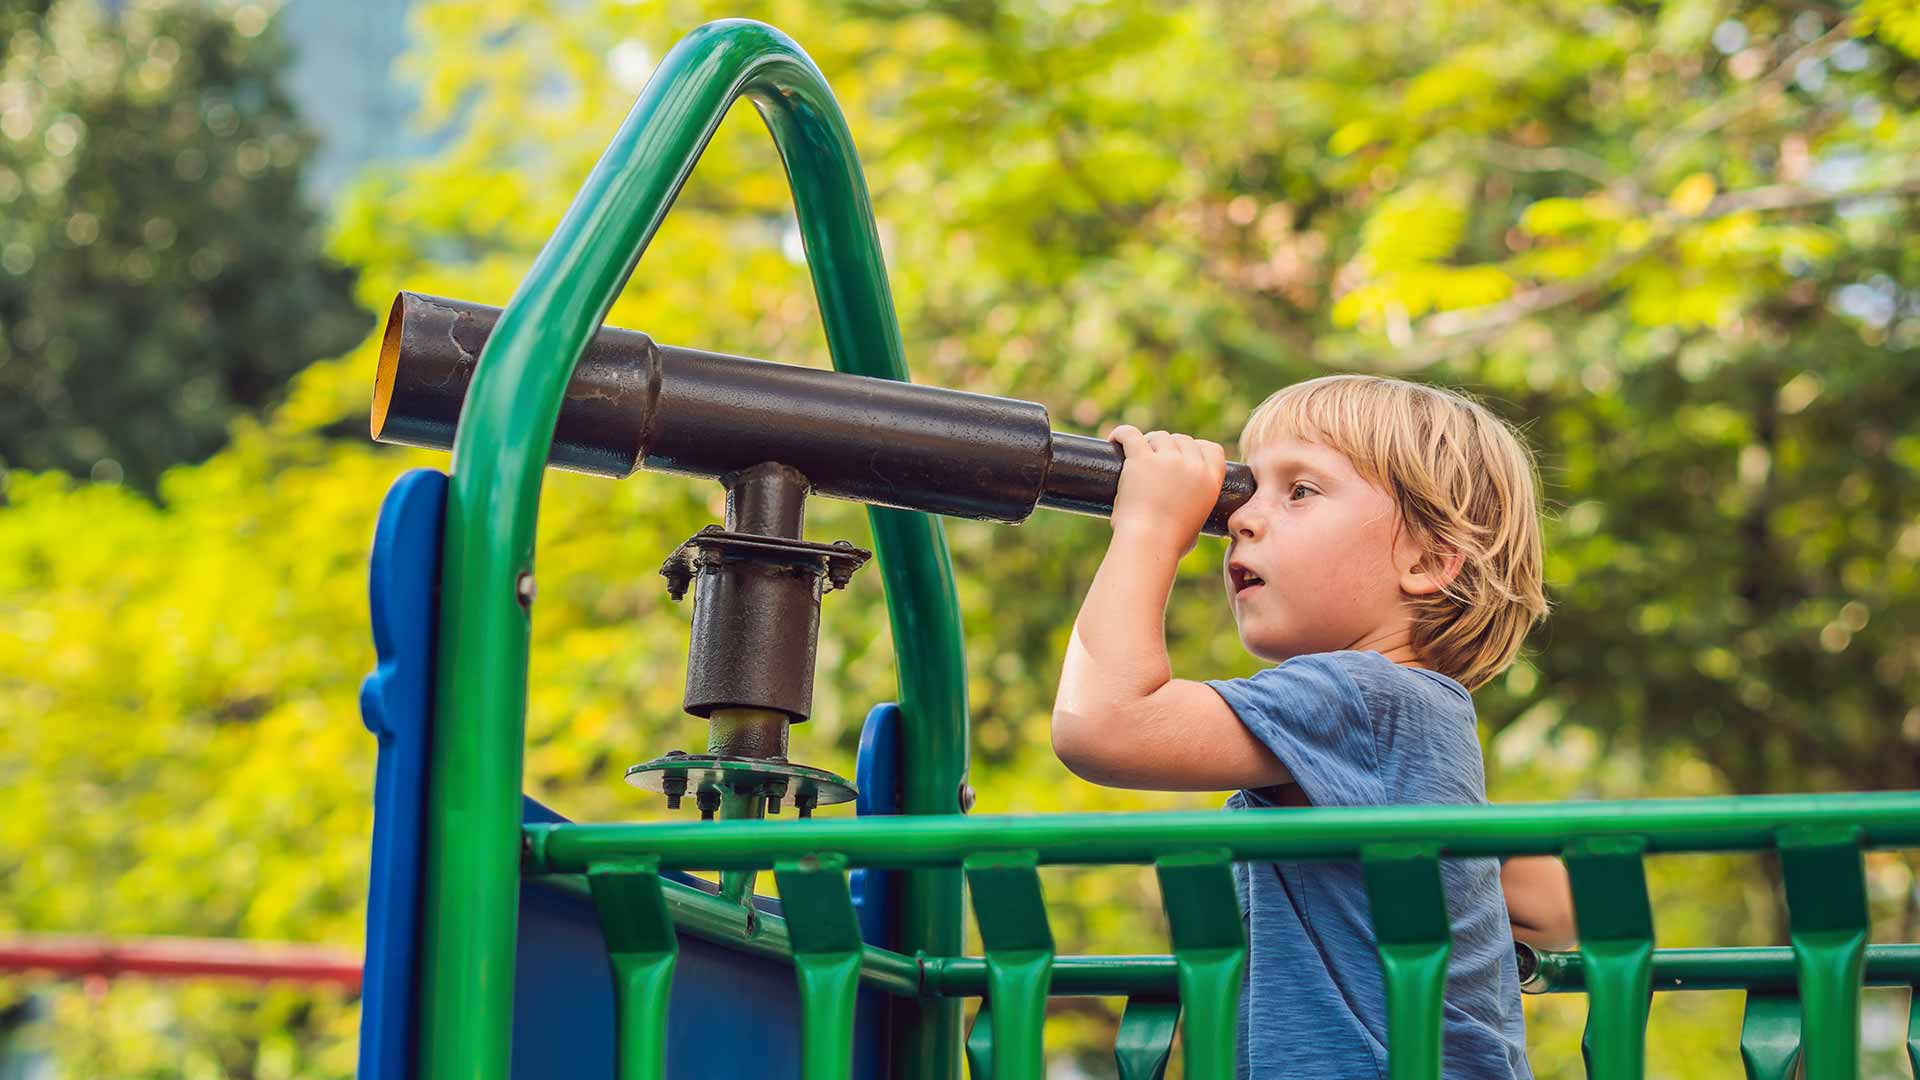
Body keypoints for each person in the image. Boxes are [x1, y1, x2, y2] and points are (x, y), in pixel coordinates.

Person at [1050, 374, 1574, 1078]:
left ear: (1426, 561)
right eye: (1248, 489)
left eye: (1299, 491)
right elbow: (1551, 907)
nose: (1239, 518)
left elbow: (1103, 725)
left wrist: (1148, 529)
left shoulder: (1363, 692)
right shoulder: (1412, 716)